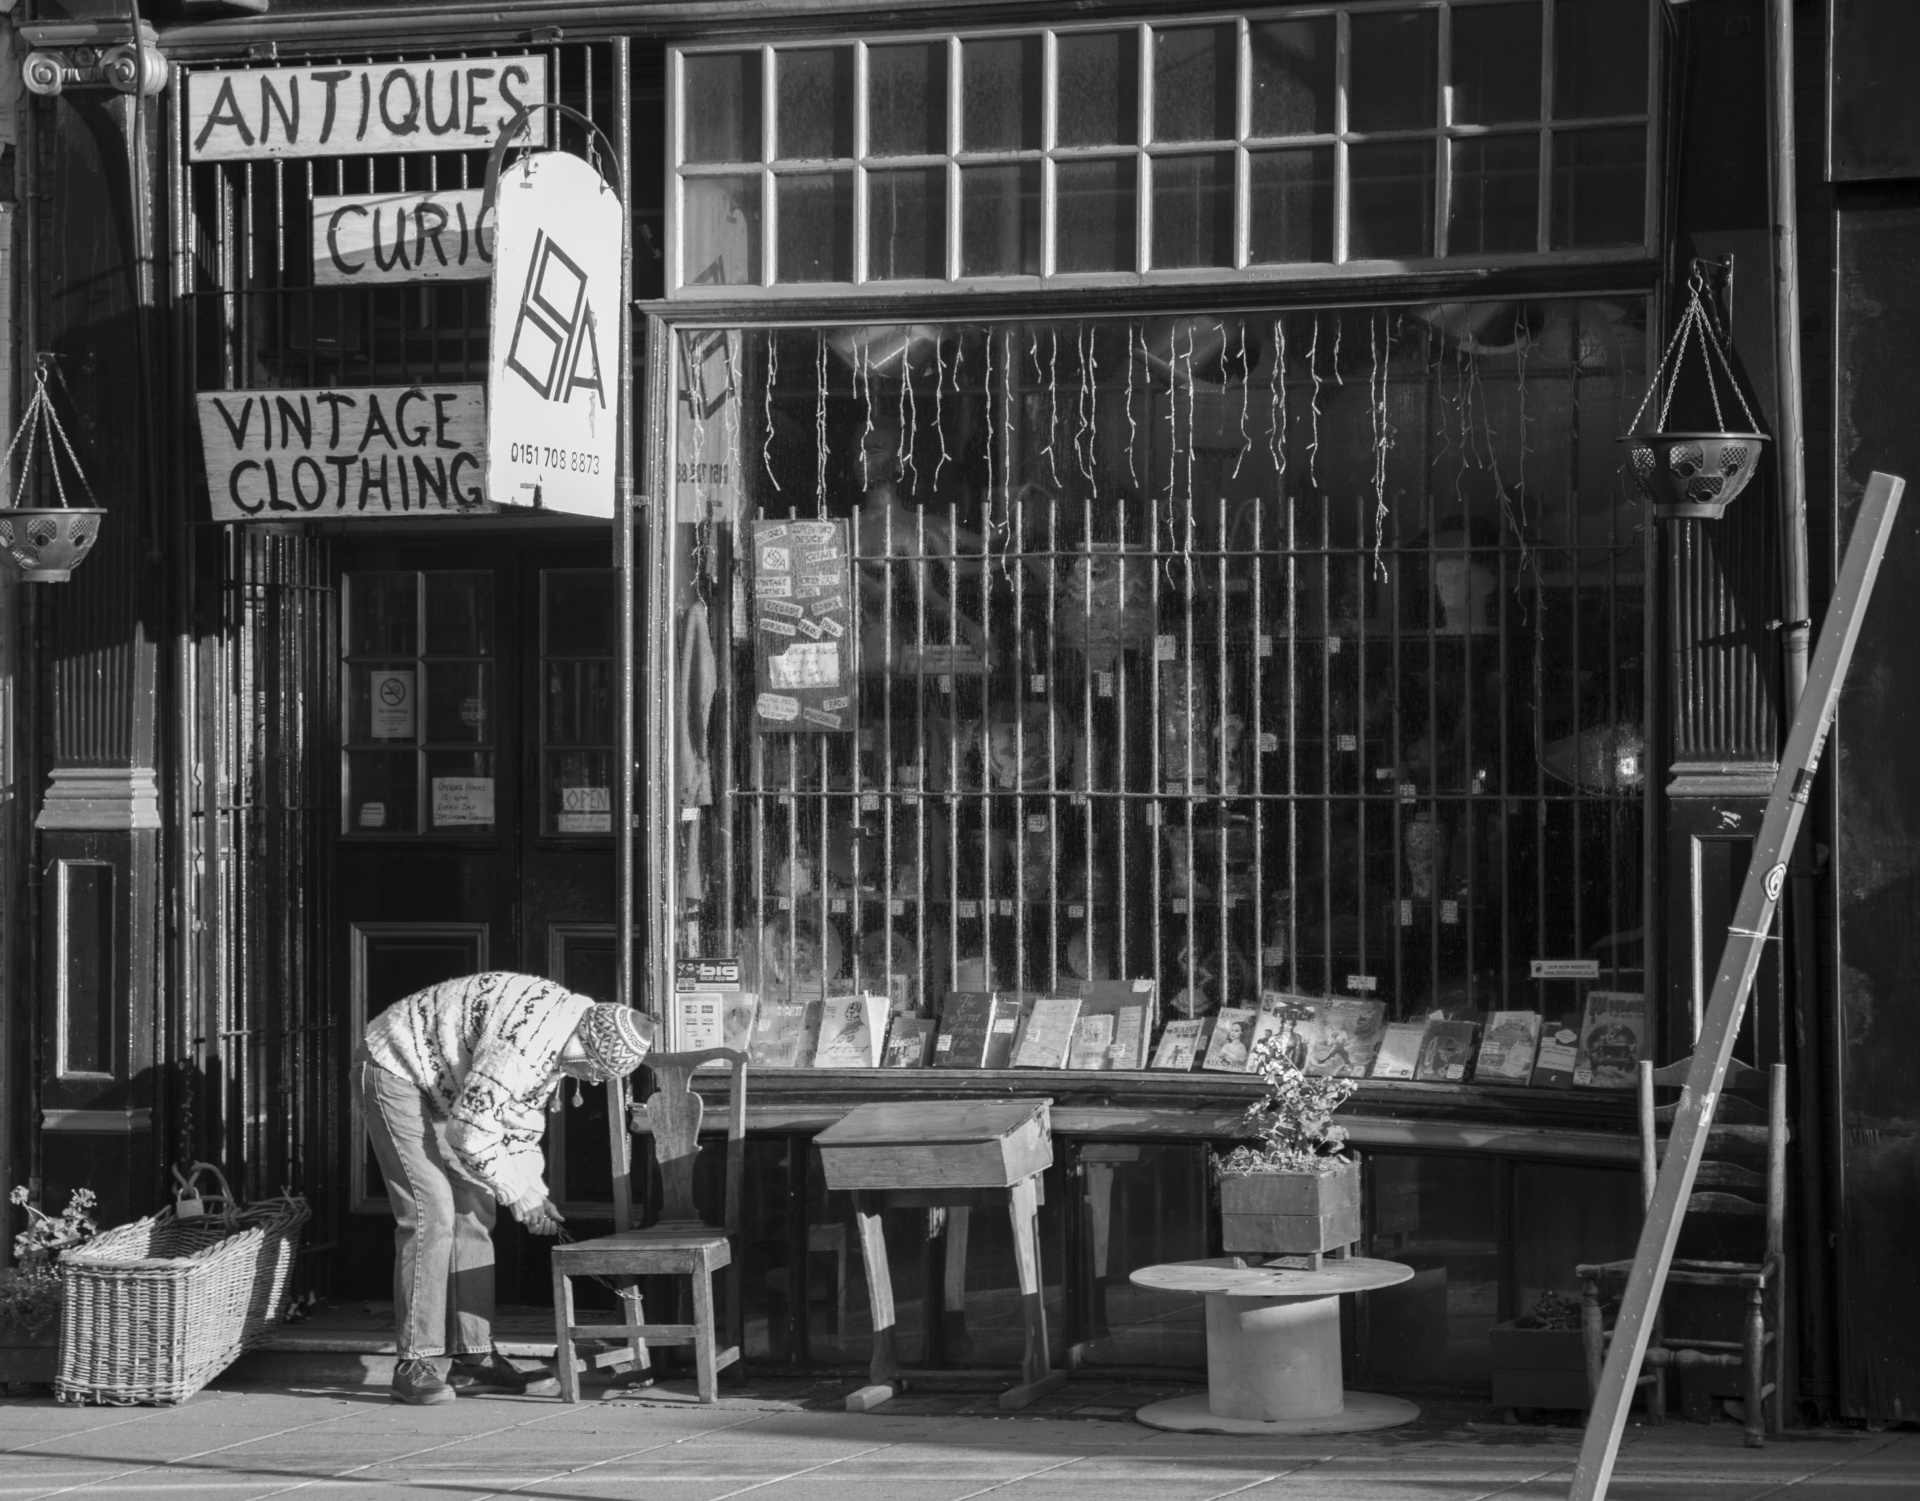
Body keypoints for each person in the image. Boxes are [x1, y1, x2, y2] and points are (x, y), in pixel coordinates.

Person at [353, 972, 655, 1405]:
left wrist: (534, 1188)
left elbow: (518, 1126)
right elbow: (471, 1135)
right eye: (591, 1073)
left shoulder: (567, 1033)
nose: (588, 1081)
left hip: (448, 1086)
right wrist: (521, 1195)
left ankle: (474, 1361)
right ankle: (414, 1362)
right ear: (583, 1048)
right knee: (432, 1212)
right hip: (396, 1067)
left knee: (476, 1208)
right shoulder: (527, 1043)